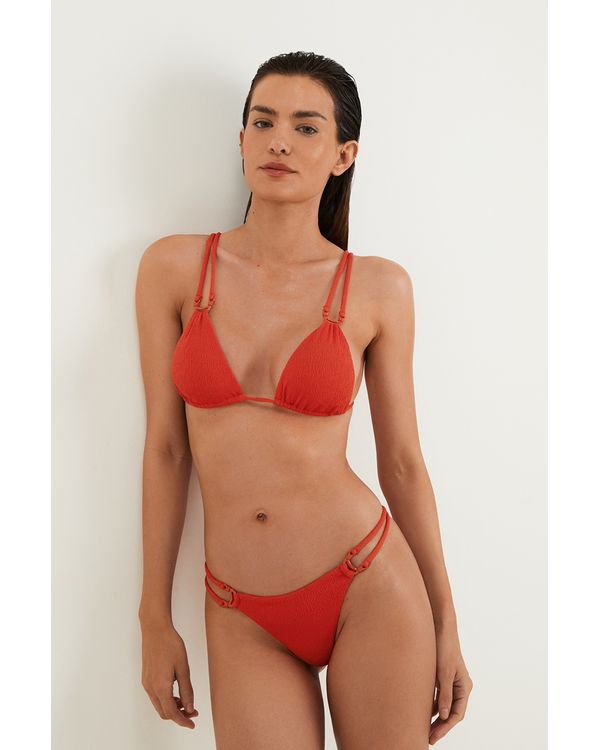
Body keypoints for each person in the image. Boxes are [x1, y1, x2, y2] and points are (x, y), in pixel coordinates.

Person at [135, 51, 473, 749]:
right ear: (241, 140)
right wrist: (153, 617)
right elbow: (167, 450)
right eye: (263, 122)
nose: (279, 142)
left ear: (344, 155)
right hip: (240, 608)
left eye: (306, 127)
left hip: (366, 583)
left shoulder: (378, 287)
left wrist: (446, 623)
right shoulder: (173, 267)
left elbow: (403, 463)